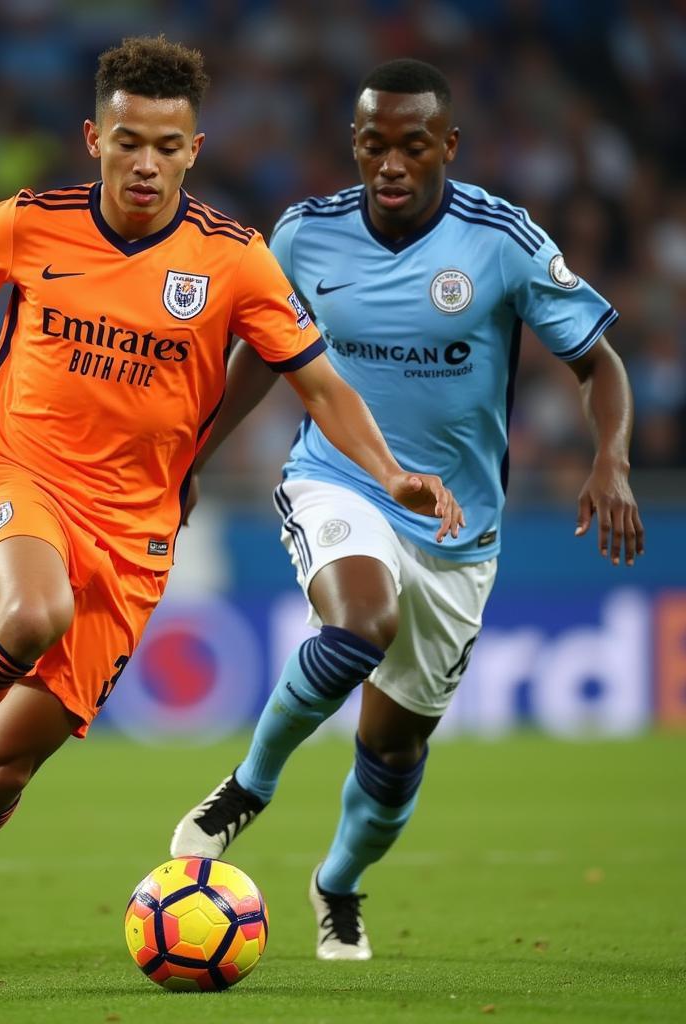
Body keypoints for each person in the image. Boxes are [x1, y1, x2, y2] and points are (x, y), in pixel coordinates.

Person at [0, 38, 461, 978]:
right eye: (126, 141)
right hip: (19, 473)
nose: (144, 163)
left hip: (136, 535)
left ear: (194, 150)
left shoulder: (235, 261)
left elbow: (319, 384)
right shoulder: (32, 224)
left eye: (165, 146)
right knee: (31, 613)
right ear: (92, 139)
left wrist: (390, 476)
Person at [170, 58, 644, 961]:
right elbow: (265, 357)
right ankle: (247, 788)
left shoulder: (500, 240)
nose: (390, 162)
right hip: (339, 480)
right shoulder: (305, 236)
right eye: (372, 144)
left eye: (411, 145)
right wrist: (193, 454)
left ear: (447, 147)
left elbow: (600, 363)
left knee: (391, 756)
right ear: (353, 145)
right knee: (360, 624)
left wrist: (611, 461)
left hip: (461, 531)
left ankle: (337, 884)